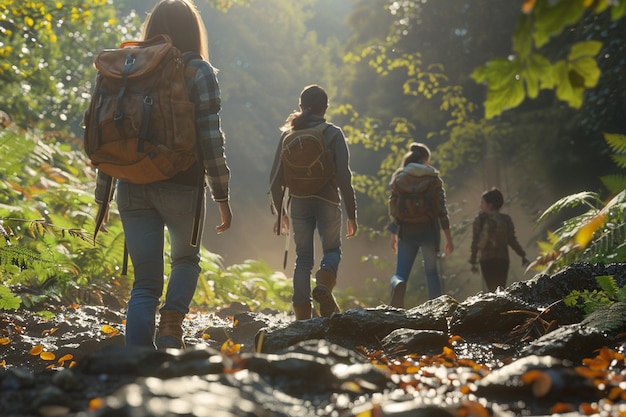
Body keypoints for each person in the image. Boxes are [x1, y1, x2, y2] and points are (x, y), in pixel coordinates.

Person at [94, 0, 232, 349]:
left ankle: (138, 360)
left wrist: (103, 197)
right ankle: (171, 326)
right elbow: (210, 138)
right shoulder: (198, 71)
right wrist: (221, 195)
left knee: (144, 282)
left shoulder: (127, 69)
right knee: (185, 259)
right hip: (182, 184)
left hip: (131, 184)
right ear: (192, 30)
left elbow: (110, 136)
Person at [269, 84, 358, 320]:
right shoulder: (333, 133)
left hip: (298, 202)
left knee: (303, 259)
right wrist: (352, 214)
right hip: (328, 200)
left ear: (300, 106)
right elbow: (344, 177)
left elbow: (274, 178)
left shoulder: (288, 134)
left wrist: (280, 213)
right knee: (331, 250)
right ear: (325, 108)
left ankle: (302, 317)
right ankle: (324, 287)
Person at [388, 142, 453, 308]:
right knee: (431, 272)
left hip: (406, 232)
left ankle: (398, 286)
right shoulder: (433, 178)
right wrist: (448, 238)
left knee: (400, 273)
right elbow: (441, 210)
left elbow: (394, 209)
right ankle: (437, 308)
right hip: (428, 232)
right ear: (424, 159)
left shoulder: (400, 178)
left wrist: (393, 234)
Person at [469, 187, 529, 292]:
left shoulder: (480, 219)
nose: (480, 206)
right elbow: (511, 240)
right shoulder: (506, 219)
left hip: (486, 260)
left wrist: (473, 260)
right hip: (503, 259)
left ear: (490, 204)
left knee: (491, 290)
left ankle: (495, 307)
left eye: (483, 203)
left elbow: (475, 241)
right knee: (501, 289)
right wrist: (522, 255)